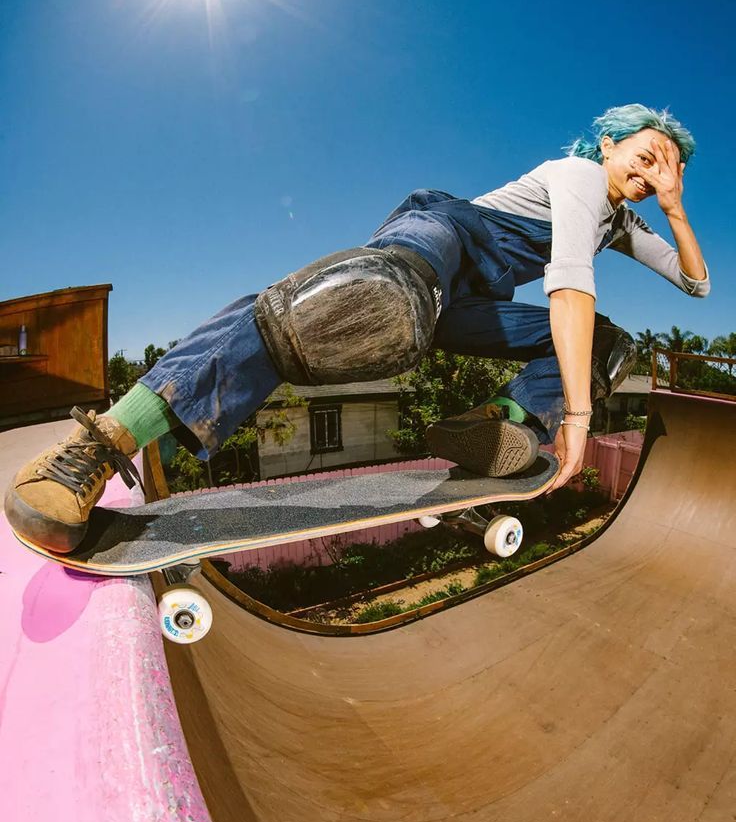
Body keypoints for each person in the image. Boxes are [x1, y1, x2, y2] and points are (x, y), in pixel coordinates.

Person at [5, 104, 708, 553]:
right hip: (441, 238)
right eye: (644, 156)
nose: (651, 174)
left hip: (466, 305)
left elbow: (694, 283)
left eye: (665, 170)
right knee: (343, 304)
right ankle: (98, 444)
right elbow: (568, 288)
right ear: (610, 145)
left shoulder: (625, 220)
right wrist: (578, 425)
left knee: (611, 344)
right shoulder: (581, 176)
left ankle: (504, 421)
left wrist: (675, 210)